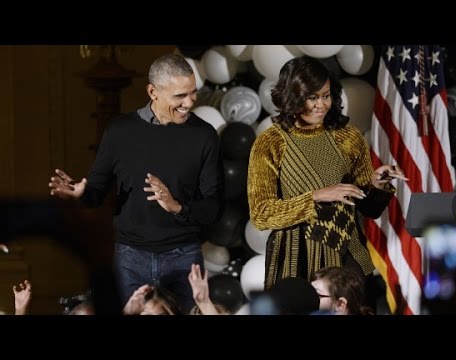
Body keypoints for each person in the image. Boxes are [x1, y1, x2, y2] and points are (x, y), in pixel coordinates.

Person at [49, 53, 224, 312]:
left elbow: (213, 207)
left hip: (183, 257)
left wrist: (177, 206)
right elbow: (96, 193)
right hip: (130, 258)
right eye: (180, 96)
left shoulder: (204, 135)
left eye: (193, 92)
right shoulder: (120, 131)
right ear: (153, 92)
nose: (190, 102)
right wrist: (80, 194)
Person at [247, 56, 408, 309]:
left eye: (325, 95)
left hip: (348, 254)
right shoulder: (271, 142)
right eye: (312, 97)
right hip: (295, 258)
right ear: (293, 97)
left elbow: (370, 209)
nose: (321, 105)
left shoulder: (348, 136)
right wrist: (315, 196)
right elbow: (261, 214)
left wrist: (377, 185)